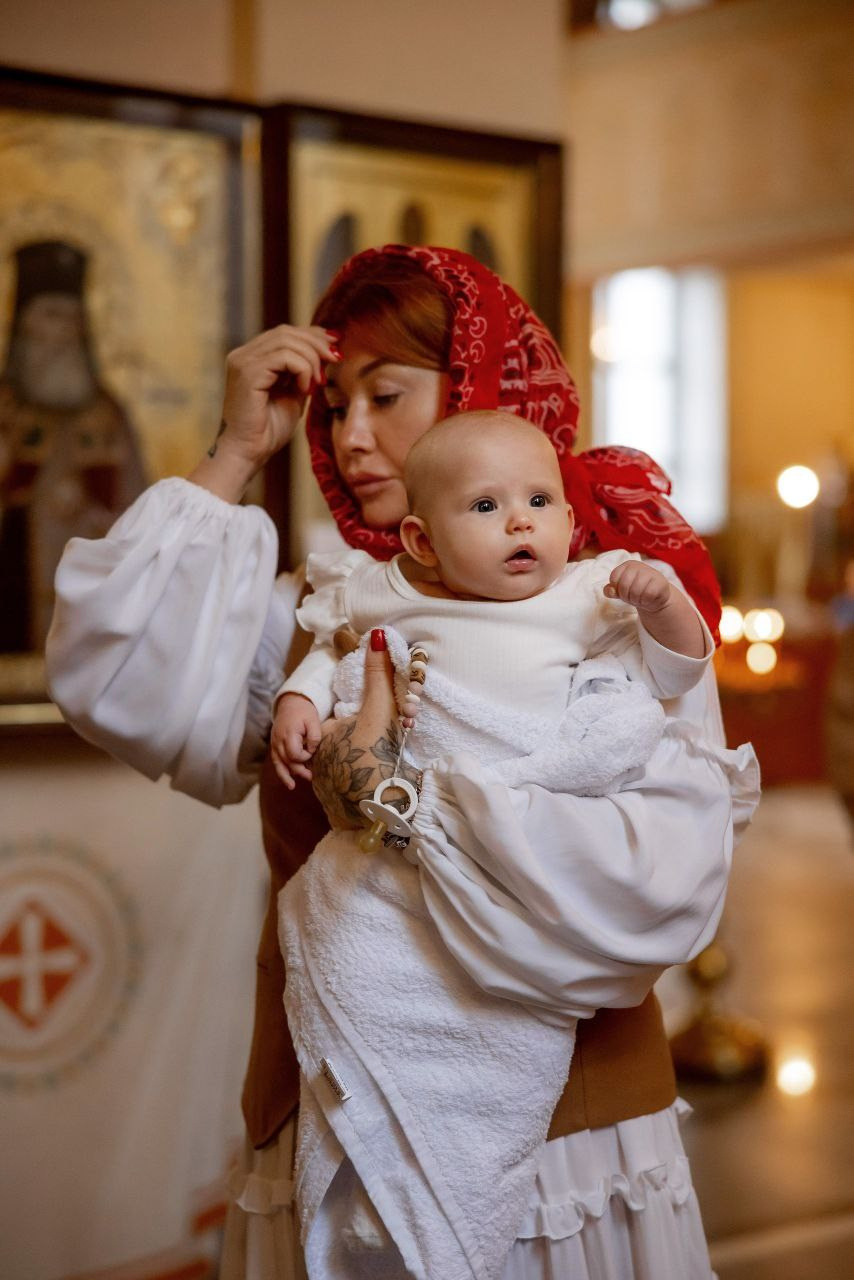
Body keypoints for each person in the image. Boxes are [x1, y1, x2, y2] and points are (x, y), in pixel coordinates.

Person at [46, 245, 757, 1280]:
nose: (351, 436)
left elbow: (662, 871)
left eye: (385, 395)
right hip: (338, 1106)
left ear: (482, 391)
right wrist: (236, 450)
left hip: (566, 1137)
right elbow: (111, 676)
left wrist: (407, 802)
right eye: (332, 407)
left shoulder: (613, 605)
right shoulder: (327, 608)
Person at [272, 408, 710, 792]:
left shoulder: (591, 591)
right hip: (431, 801)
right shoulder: (390, 589)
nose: (521, 521)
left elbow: (671, 676)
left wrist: (662, 607)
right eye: (485, 506)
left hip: (542, 791)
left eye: (539, 501)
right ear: (423, 541)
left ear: (568, 519)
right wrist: (300, 698)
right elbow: (336, 647)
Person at [0, 240, 146, 651]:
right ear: (24, 323)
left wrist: (95, 513)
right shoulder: (4, 408)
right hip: (14, 592)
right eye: (51, 315)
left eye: (74, 318)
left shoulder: (108, 416)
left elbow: (140, 512)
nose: (65, 331)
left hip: (90, 608)